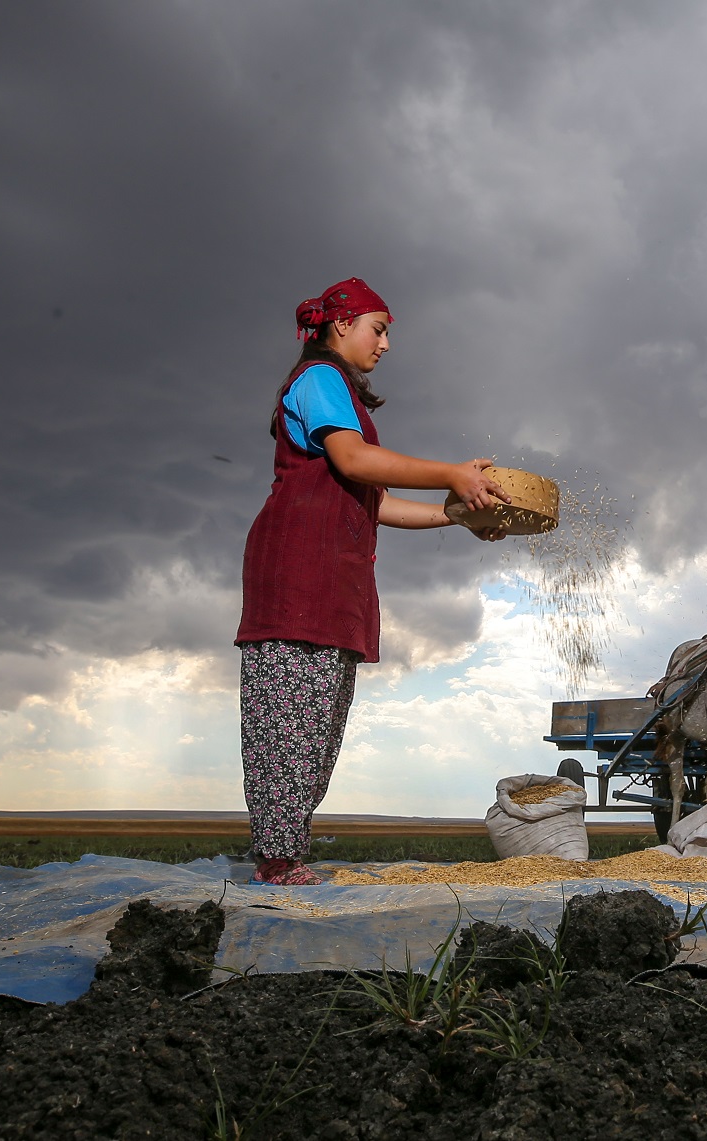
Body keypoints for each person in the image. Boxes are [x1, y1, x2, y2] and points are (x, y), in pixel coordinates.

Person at [234, 277, 509, 886]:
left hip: (335, 574)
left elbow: (375, 499)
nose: (385, 345)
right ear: (341, 326)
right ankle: (277, 859)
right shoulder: (319, 379)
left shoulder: (345, 401)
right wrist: (450, 474)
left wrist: (455, 514)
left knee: (320, 719)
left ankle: (287, 851)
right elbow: (355, 462)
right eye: (378, 329)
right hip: (298, 568)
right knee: (289, 717)